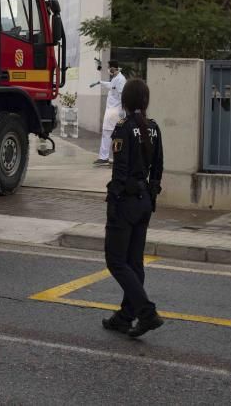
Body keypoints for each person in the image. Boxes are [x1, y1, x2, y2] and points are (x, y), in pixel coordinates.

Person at [102, 77, 164, 338]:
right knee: (134, 262)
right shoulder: (153, 127)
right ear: (146, 100)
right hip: (145, 202)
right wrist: (151, 196)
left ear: (125, 101)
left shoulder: (124, 127)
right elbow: (158, 169)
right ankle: (125, 316)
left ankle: (146, 312)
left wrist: (113, 201)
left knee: (116, 261)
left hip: (126, 202)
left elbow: (120, 171)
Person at [93, 61, 126, 166]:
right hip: (113, 111)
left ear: (113, 68)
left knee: (109, 134)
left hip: (115, 112)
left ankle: (104, 158)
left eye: (109, 68)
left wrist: (122, 111)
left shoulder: (120, 79)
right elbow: (112, 86)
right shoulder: (117, 78)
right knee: (113, 134)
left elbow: (122, 95)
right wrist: (100, 82)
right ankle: (111, 158)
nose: (108, 70)